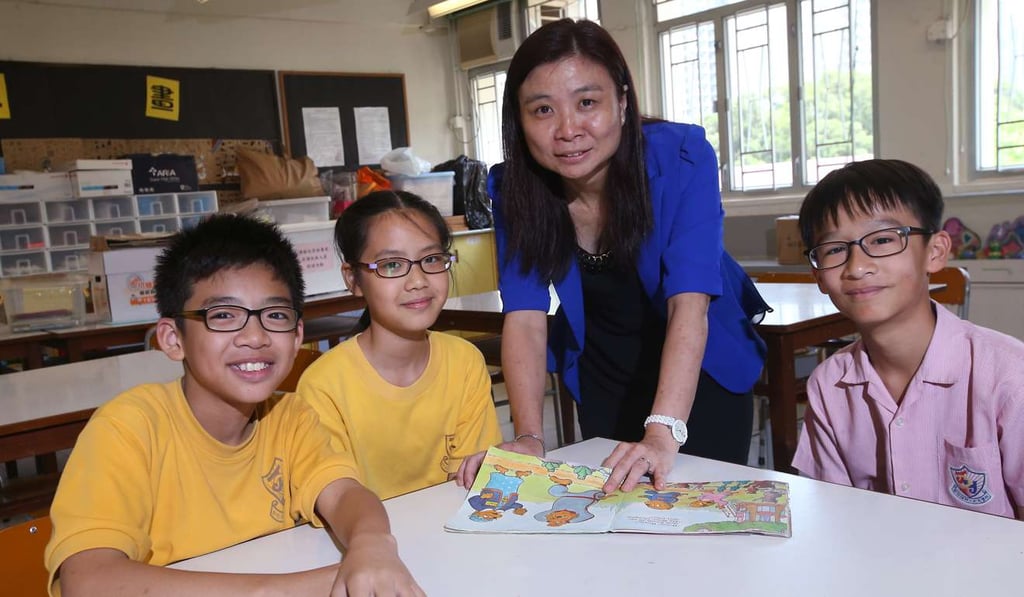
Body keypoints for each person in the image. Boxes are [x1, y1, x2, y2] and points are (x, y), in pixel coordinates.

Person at [456, 18, 768, 494]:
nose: (567, 129)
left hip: (698, 372)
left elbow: (690, 302)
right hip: (605, 375)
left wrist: (663, 432)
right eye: (542, 109)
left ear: (622, 101)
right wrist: (528, 438)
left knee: (700, 526)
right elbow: (524, 315)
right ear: (518, 120)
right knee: (615, 526)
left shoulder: (680, 157)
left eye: (587, 102)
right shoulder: (515, 187)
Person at [44, 214, 425, 596]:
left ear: (296, 337)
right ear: (172, 339)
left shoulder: (291, 418)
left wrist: (373, 544)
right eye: (223, 315)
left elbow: (345, 494)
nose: (255, 337)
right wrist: (306, 586)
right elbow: (89, 581)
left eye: (275, 315)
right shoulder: (127, 428)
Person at [791, 158, 1024, 520]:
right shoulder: (829, 384)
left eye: (883, 239)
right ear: (818, 275)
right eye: (835, 249)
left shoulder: (1008, 376)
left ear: (935, 252)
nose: (857, 267)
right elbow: (836, 517)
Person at [298, 190, 502, 499]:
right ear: (353, 279)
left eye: (431, 259)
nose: (417, 280)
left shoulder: (464, 362)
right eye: (392, 265)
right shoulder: (323, 386)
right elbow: (334, 498)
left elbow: (473, 482)